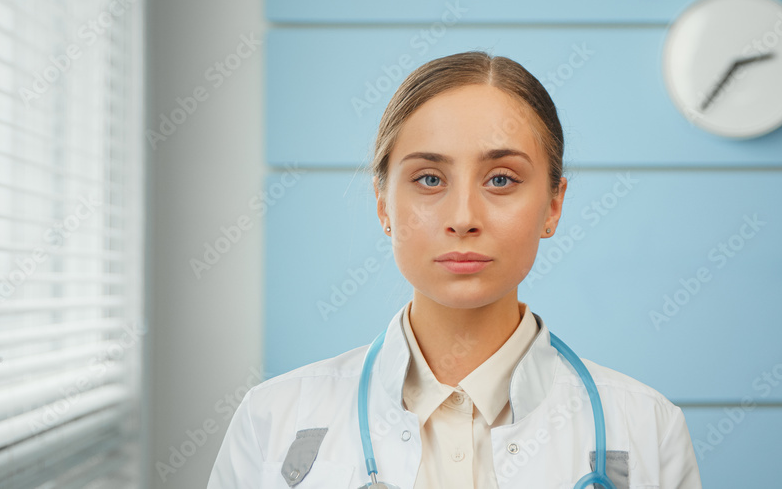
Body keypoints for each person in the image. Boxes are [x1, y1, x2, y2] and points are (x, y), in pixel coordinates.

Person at [207, 51, 702, 488]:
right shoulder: (272, 420)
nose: (463, 218)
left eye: (502, 179)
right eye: (428, 179)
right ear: (383, 206)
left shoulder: (646, 428)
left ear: (553, 205)